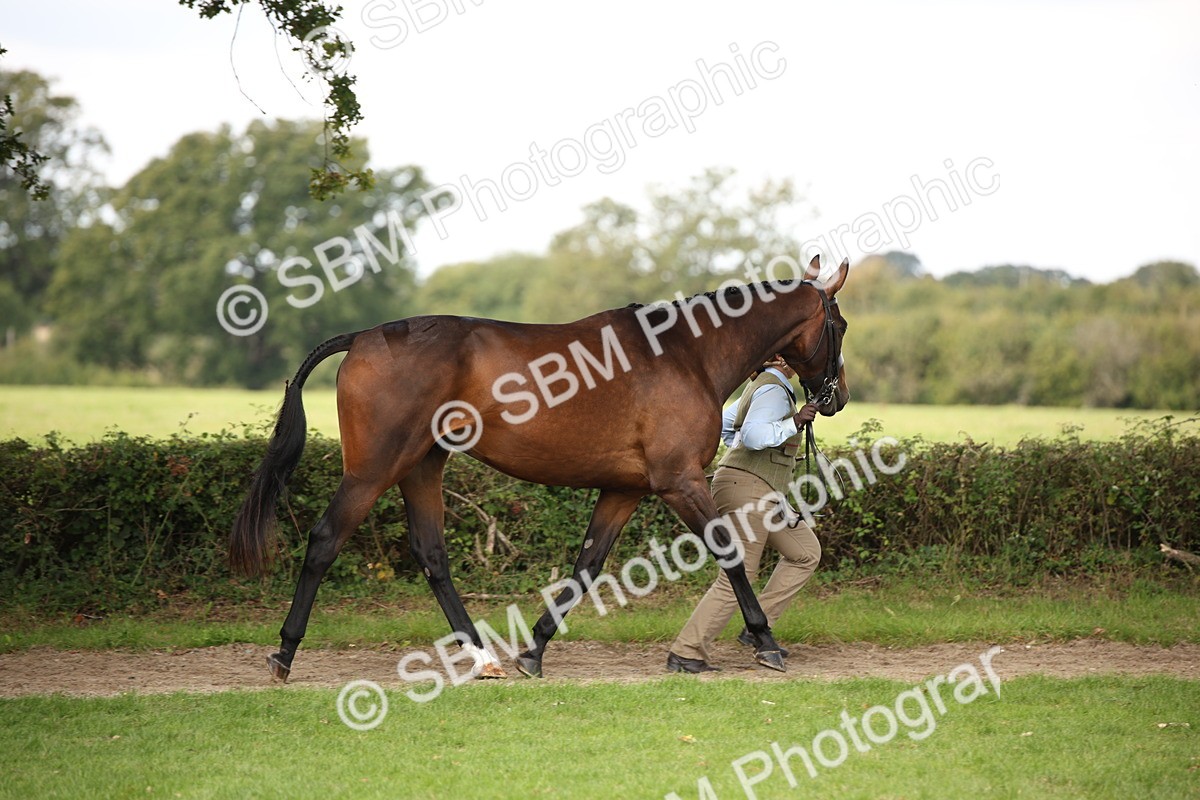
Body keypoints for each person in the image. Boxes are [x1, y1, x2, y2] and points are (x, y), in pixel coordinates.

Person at [667, 355, 822, 673]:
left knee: (805, 552)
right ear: (783, 360)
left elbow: (726, 425)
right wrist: (794, 423)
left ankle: (757, 626)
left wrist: (742, 453)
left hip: (760, 490)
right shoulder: (773, 390)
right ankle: (686, 652)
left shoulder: (763, 386)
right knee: (737, 575)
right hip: (748, 491)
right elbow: (751, 437)